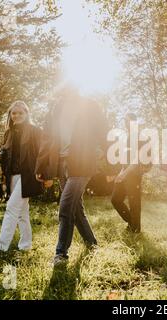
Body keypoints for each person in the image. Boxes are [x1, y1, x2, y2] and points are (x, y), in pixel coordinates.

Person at [34, 87, 109, 265]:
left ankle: (61, 253)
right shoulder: (55, 108)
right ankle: (92, 243)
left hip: (82, 163)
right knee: (76, 208)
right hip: (61, 164)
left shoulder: (89, 106)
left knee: (66, 206)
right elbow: (47, 138)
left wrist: (103, 152)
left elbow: (104, 131)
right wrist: (41, 165)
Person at [0, 101, 44, 253]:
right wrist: (0, 156)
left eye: (20, 113)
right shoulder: (8, 133)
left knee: (11, 208)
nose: (17, 115)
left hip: (29, 176)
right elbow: (7, 155)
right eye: (14, 113)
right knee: (22, 213)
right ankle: (25, 246)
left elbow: (42, 154)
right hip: (12, 176)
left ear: (26, 114)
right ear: (10, 115)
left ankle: (0, 247)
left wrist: (46, 174)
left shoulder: (35, 131)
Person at [111, 113, 150, 233]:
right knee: (115, 199)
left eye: (127, 121)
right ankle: (131, 222)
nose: (125, 123)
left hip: (134, 174)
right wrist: (121, 172)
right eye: (125, 121)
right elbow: (125, 158)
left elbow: (138, 159)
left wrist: (125, 173)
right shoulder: (126, 136)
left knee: (134, 203)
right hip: (125, 172)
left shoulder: (140, 137)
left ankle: (135, 231)